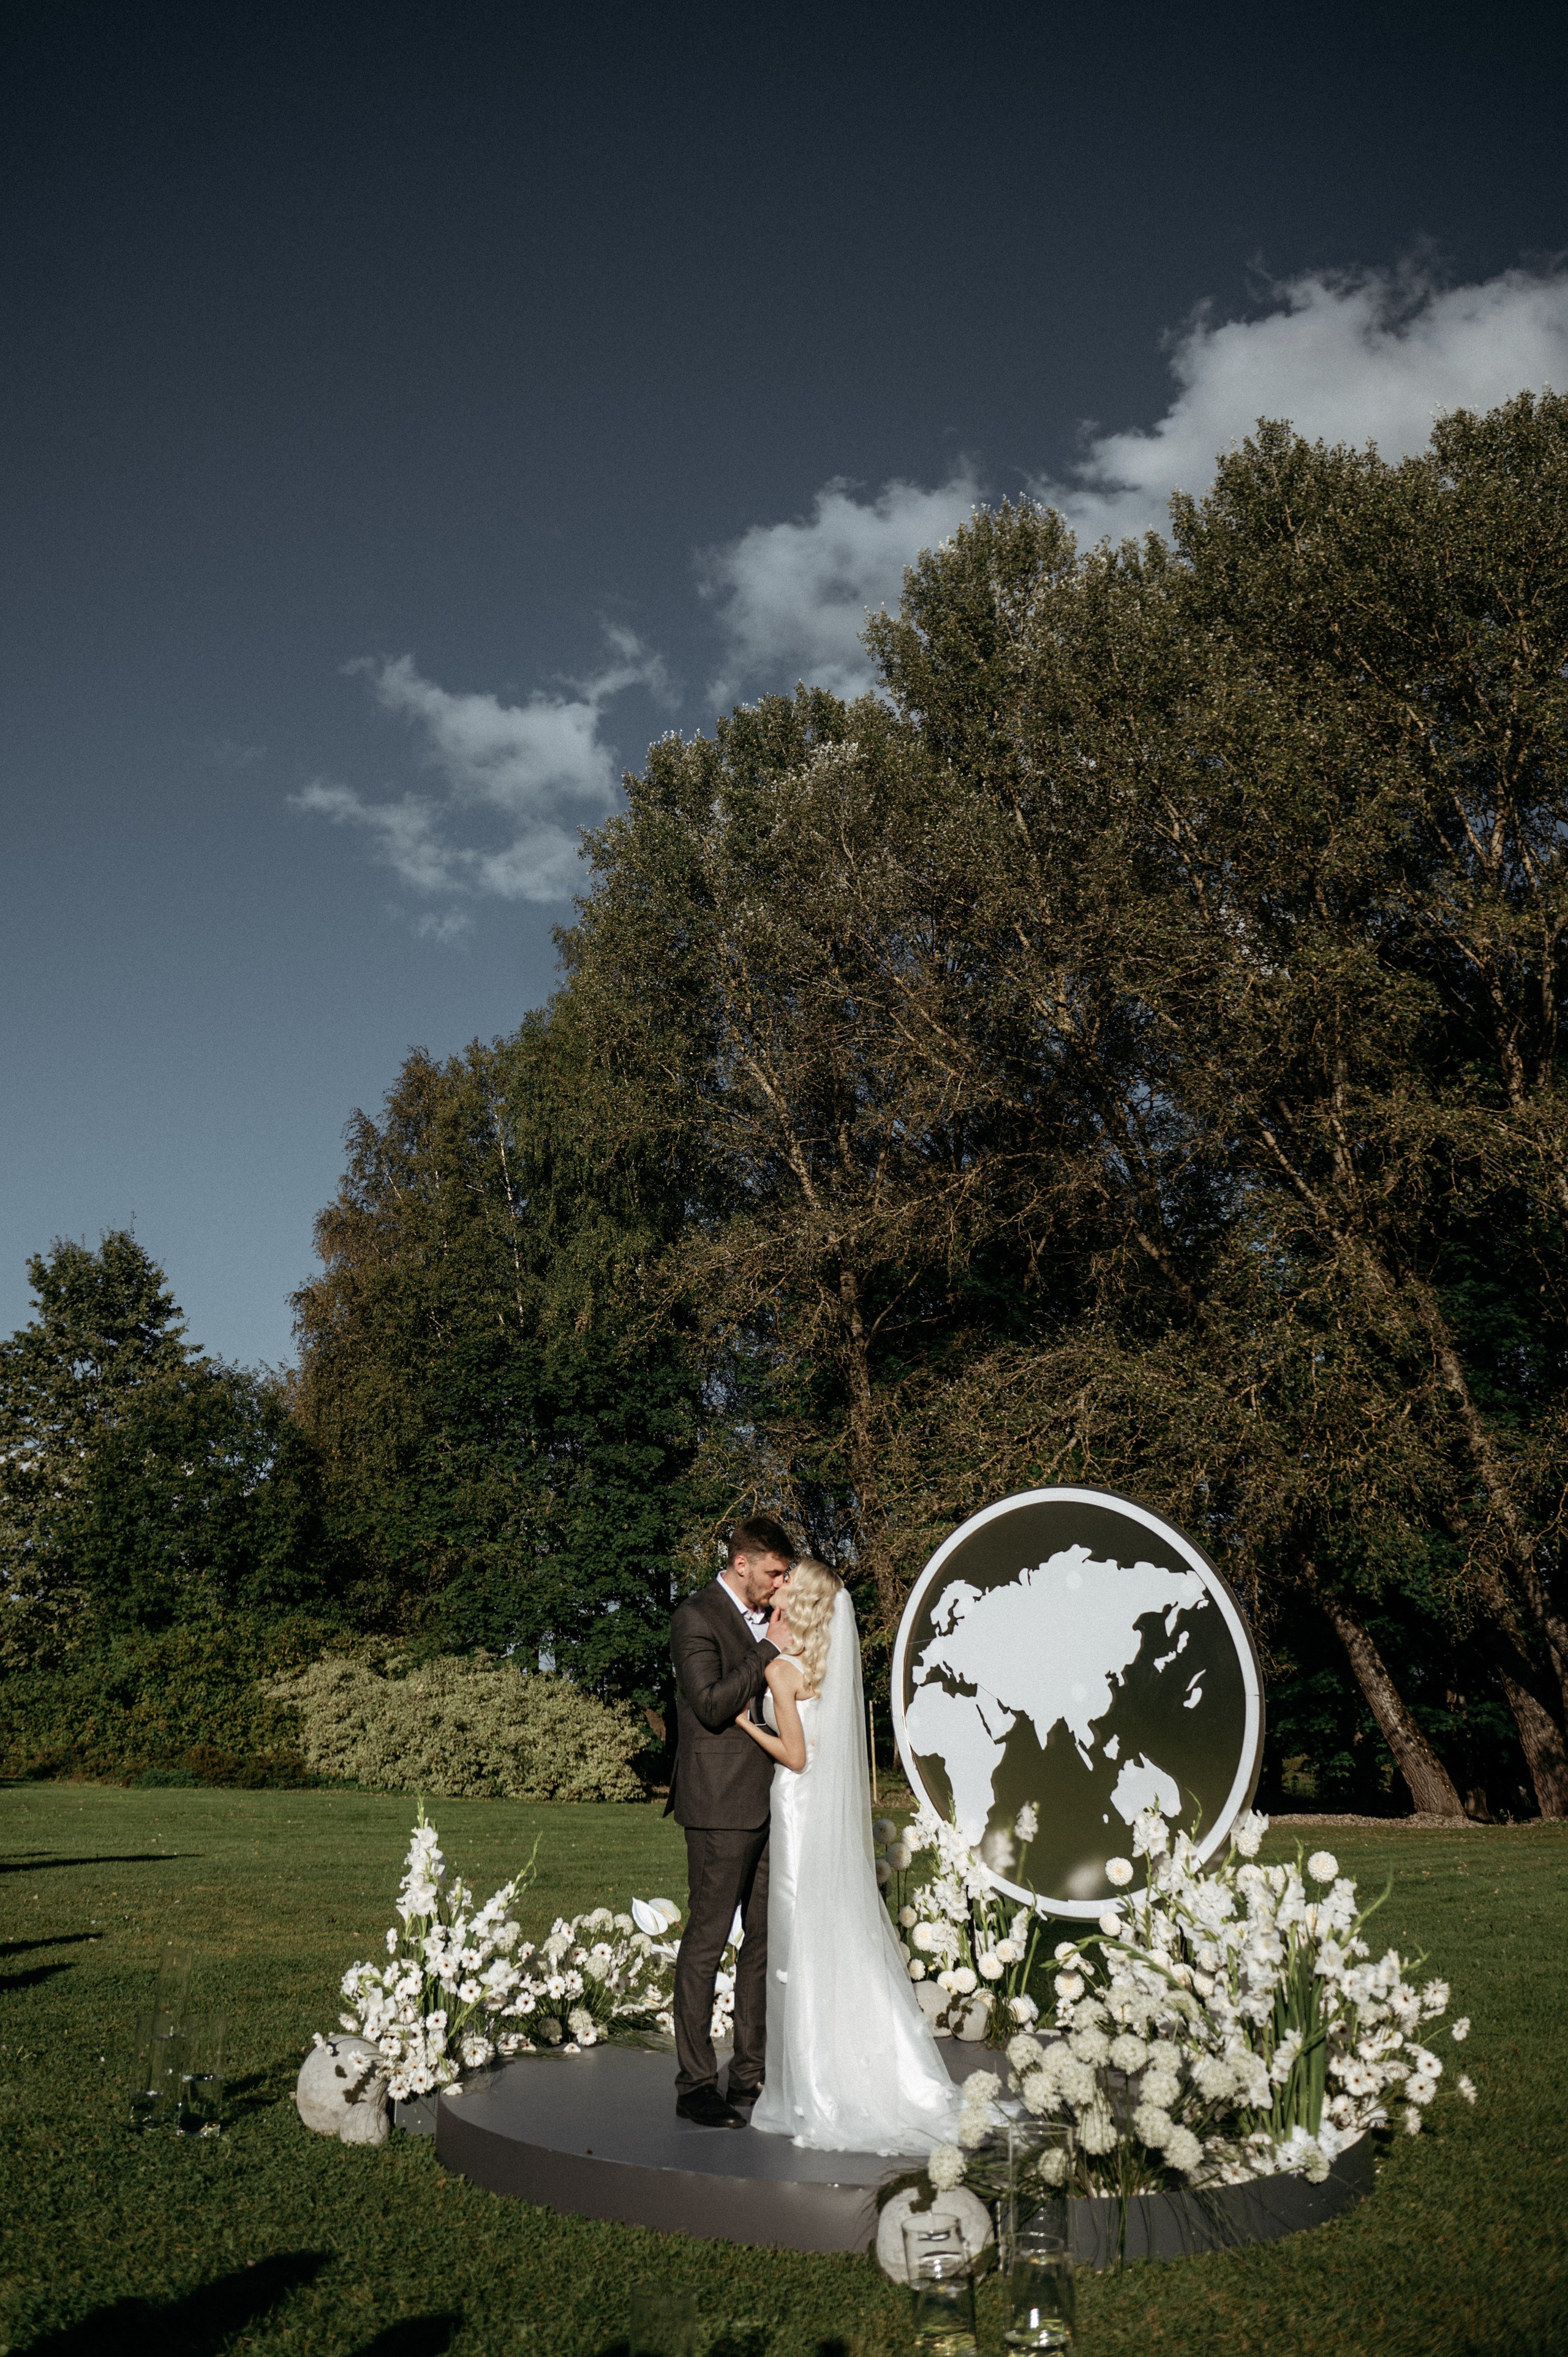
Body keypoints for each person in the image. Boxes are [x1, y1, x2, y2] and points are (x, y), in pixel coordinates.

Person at [734, 1558, 963, 2155]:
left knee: (797, 1938)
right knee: (831, 1928)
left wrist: (743, 1722)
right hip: (823, 1814)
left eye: (788, 1585)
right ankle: (859, 2057)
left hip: (796, 1810)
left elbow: (795, 1753)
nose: (778, 1588)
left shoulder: (783, 1670)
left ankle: (807, 2087)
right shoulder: (828, 1666)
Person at [665, 1514, 794, 2127]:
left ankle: (749, 2075)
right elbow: (712, 1704)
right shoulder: (695, 1615)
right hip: (719, 1806)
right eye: (774, 1570)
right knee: (707, 1942)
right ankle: (694, 2085)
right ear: (742, 1561)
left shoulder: (769, 1619)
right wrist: (770, 1647)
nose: (781, 1581)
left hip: (775, 1801)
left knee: (763, 1946)